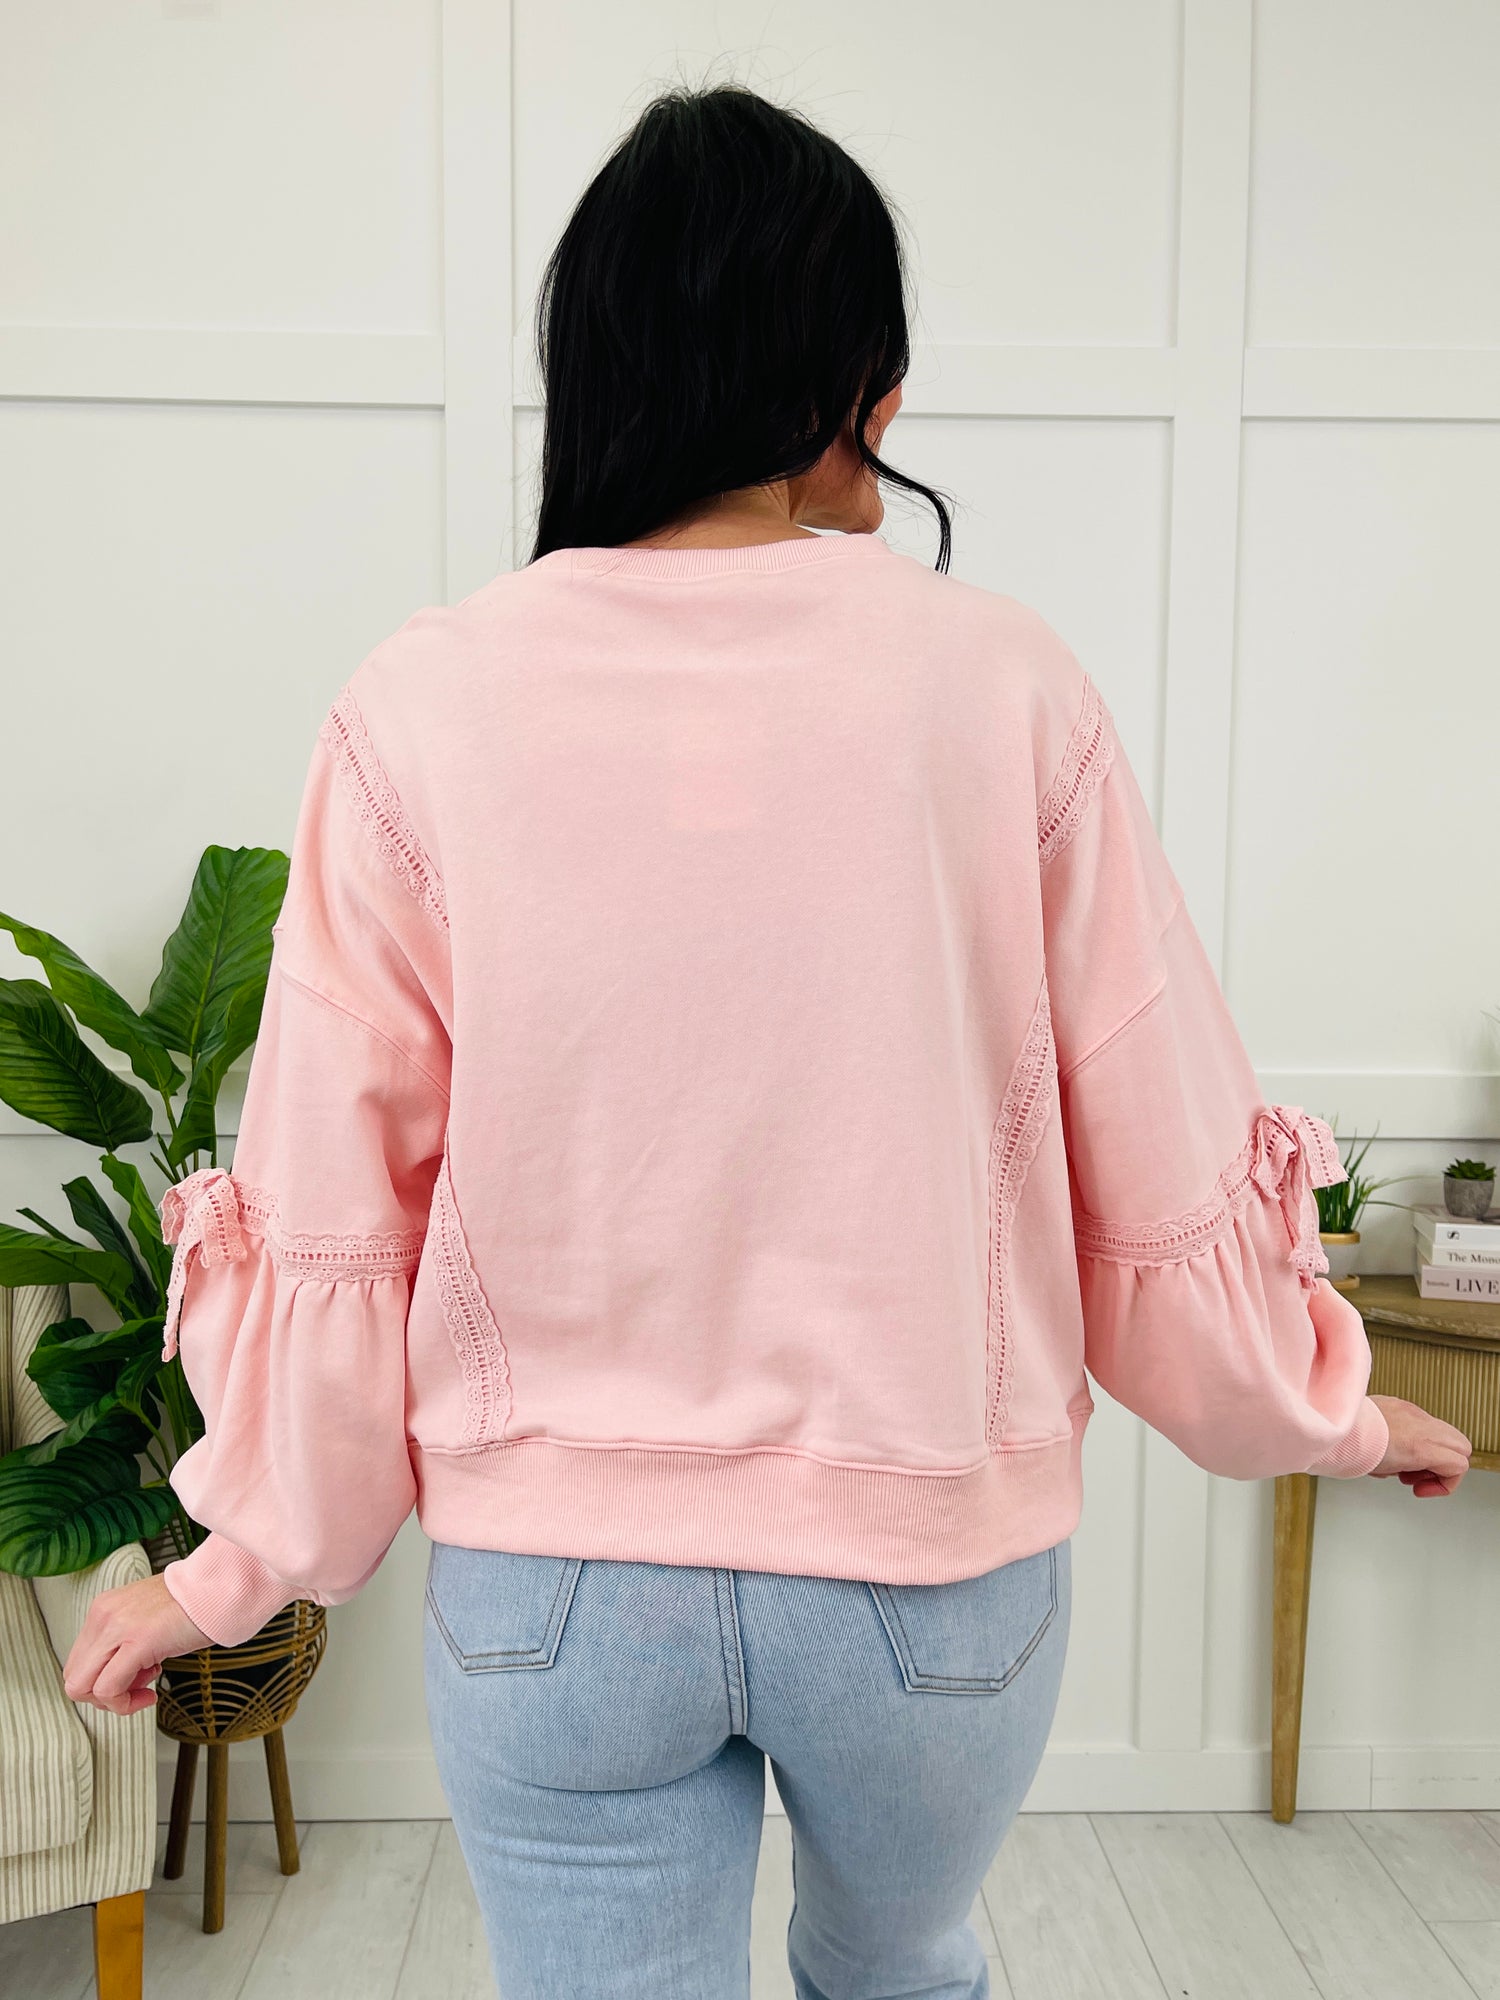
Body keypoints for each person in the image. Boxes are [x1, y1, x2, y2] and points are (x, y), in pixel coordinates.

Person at [65, 81, 1469, 2000]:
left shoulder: (423, 706)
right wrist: (1337, 1414)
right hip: (929, 1592)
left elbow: (337, 1204)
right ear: (840, 384)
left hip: (558, 1596)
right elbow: (1157, 1150)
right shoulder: (1004, 686)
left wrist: (225, 1569)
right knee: (901, 1972)